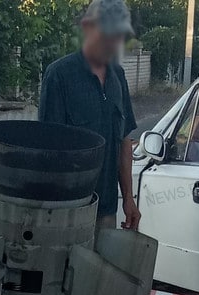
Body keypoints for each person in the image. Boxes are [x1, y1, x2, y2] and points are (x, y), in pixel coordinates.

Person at [39, 0, 141, 233]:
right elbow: (47, 150)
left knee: (105, 259)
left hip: (106, 211)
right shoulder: (59, 76)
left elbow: (124, 140)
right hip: (67, 213)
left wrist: (128, 198)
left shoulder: (118, 76)